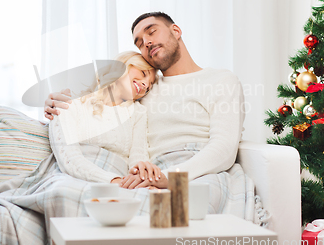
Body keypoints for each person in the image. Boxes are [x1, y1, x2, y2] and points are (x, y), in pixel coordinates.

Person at [45, 12, 245, 190]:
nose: (146, 42)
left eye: (152, 32)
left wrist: (168, 177)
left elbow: (224, 147)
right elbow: (106, 97)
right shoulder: (142, 91)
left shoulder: (221, 80)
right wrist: (56, 102)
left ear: (175, 31)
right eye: (139, 42)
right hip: (150, 174)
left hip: (198, 170)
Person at [50, 50, 162, 186]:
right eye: (143, 74)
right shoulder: (70, 101)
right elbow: (68, 158)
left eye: (149, 86)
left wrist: (137, 180)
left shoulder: (138, 113)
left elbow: (138, 158)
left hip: (122, 182)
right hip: (76, 178)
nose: (145, 85)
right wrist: (113, 181)